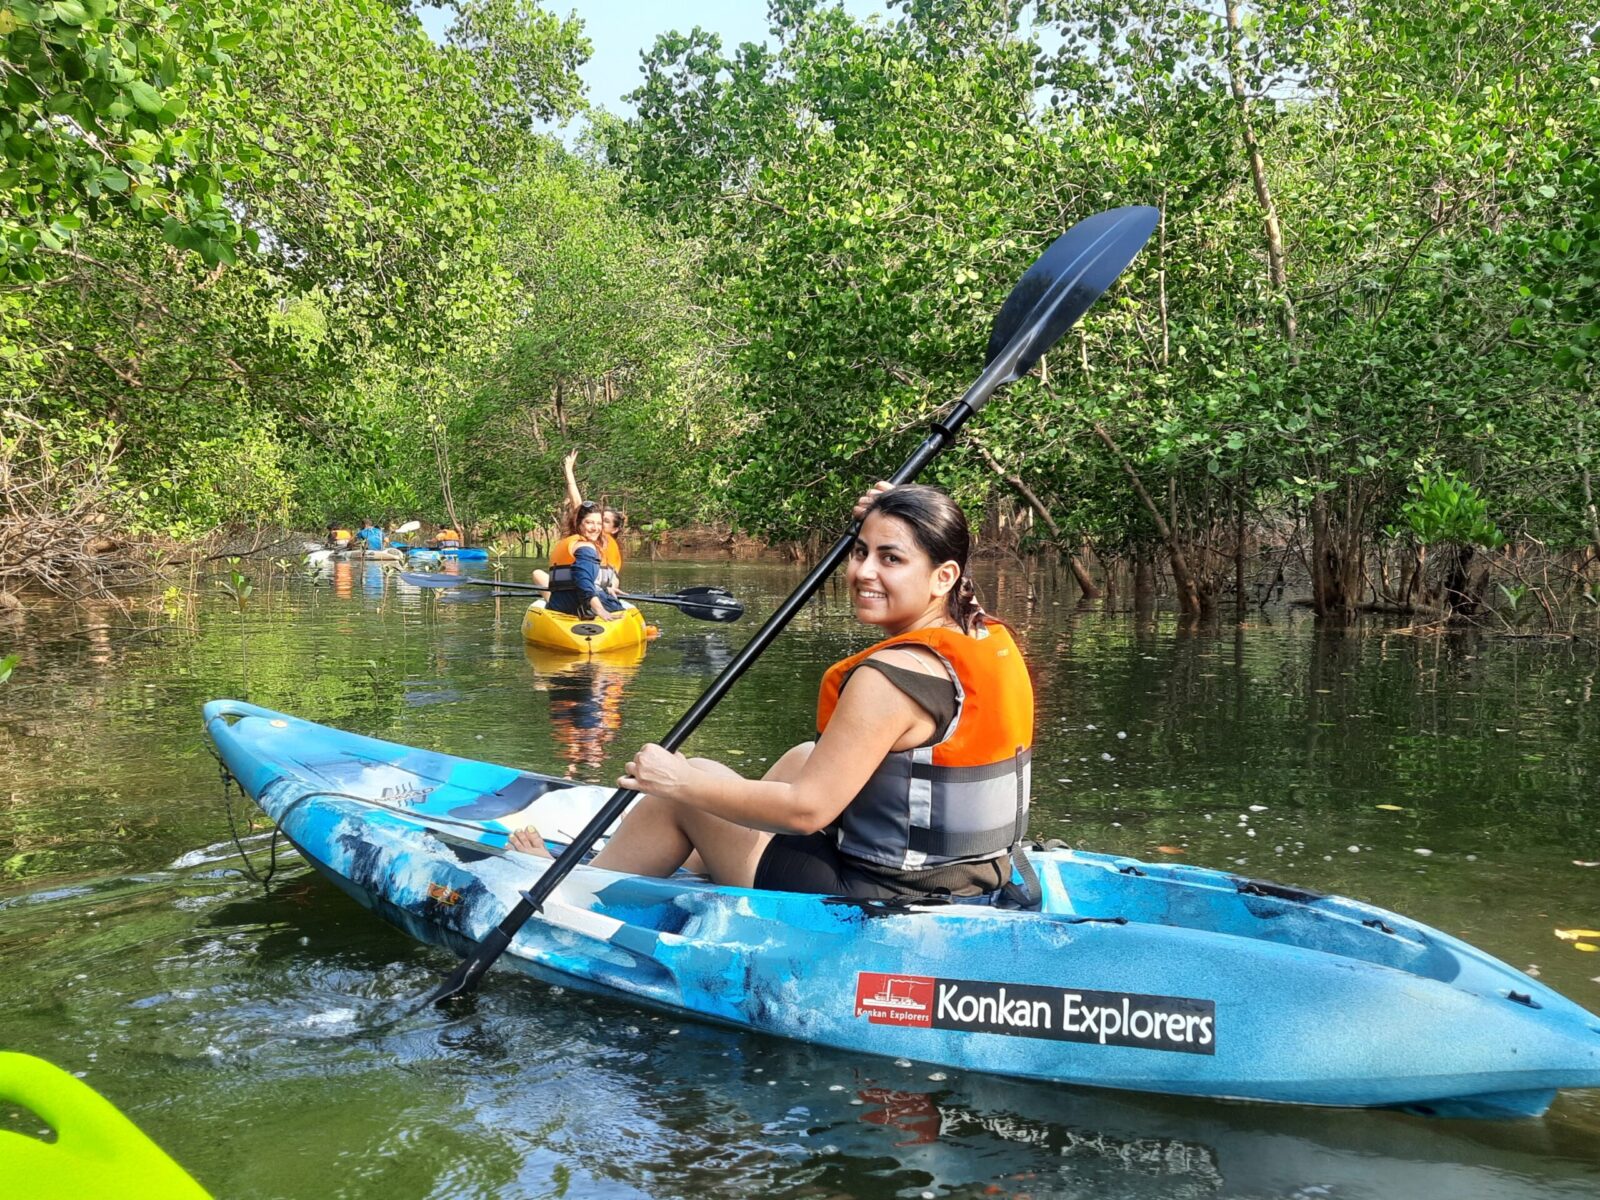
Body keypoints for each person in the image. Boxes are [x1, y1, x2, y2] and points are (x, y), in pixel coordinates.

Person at [509, 483, 1035, 901]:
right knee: (804, 756)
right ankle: (694, 853)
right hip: (973, 876)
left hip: (882, 895)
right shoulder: (985, 636)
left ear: (943, 576)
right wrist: (902, 507)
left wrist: (678, 782)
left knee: (688, 783)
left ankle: (574, 885)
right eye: (860, 552)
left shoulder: (889, 679)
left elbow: (806, 813)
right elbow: (944, 552)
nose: (863, 571)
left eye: (890, 559)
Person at [545, 501, 627, 622]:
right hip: (582, 604)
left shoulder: (568, 543)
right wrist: (599, 609)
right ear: (578, 523)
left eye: (599, 523)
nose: (595, 528)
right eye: (589, 522)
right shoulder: (586, 548)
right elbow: (583, 580)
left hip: (558, 605)